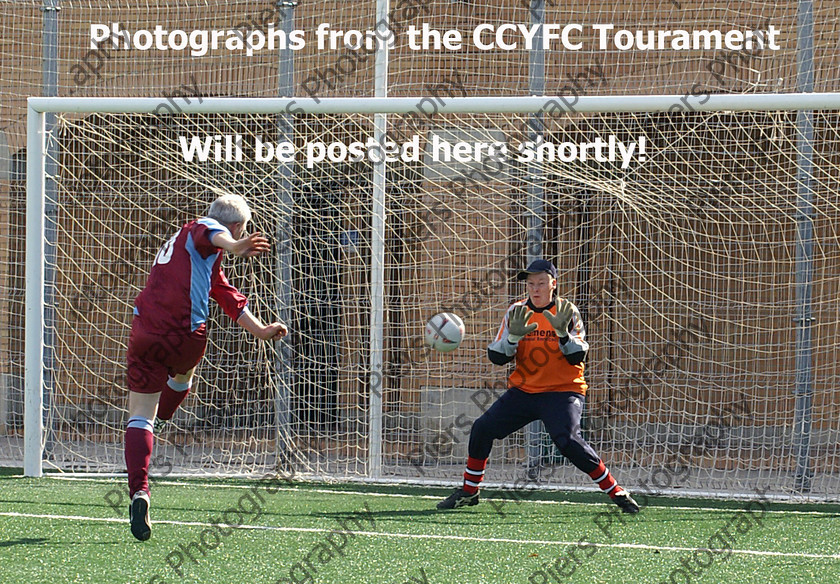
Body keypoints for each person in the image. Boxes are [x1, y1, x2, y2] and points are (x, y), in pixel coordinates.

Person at [124, 193, 288, 541]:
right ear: (239, 225)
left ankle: (140, 490)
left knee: (139, 415)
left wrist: (260, 329)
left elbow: (226, 293)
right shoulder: (204, 227)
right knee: (183, 373)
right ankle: (165, 416)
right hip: (185, 335)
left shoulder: (188, 247)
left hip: (144, 328)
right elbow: (214, 235)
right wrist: (236, 244)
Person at [437, 259, 639, 514]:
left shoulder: (567, 311)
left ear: (553, 284)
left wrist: (562, 335)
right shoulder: (516, 312)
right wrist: (512, 338)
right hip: (525, 391)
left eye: (541, 283)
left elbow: (578, 356)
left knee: (567, 441)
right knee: (482, 428)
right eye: (531, 284)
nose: (535, 288)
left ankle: (616, 490)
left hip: (563, 390)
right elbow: (497, 356)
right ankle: (469, 492)